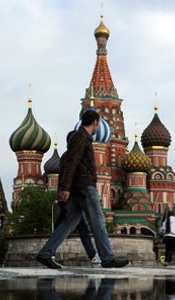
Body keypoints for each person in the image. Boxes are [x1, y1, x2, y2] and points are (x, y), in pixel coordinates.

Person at [36, 110, 128, 269]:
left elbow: (72, 162)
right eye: (98, 123)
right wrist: (65, 188)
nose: (98, 126)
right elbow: (72, 162)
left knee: (69, 222)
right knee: (99, 221)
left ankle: (46, 253)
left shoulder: (82, 138)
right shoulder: (80, 137)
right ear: (95, 122)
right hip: (84, 186)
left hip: (79, 186)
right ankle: (107, 257)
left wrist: (67, 187)